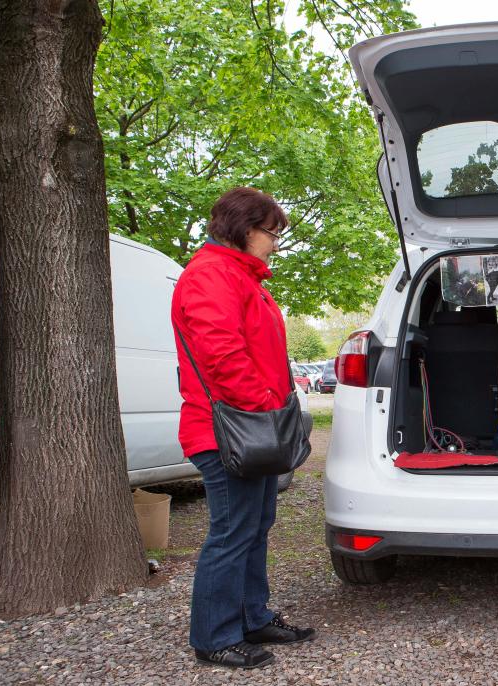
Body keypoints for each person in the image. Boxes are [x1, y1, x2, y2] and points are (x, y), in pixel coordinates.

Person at [171, 187, 315, 670]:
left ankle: (253, 617)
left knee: (255, 526)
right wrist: (265, 408)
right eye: (271, 233)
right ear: (243, 228)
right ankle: (214, 637)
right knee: (232, 532)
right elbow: (222, 356)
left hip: (249, 426)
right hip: (229, 430)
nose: (274, 243)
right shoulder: (212, 276)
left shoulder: (239, 277)